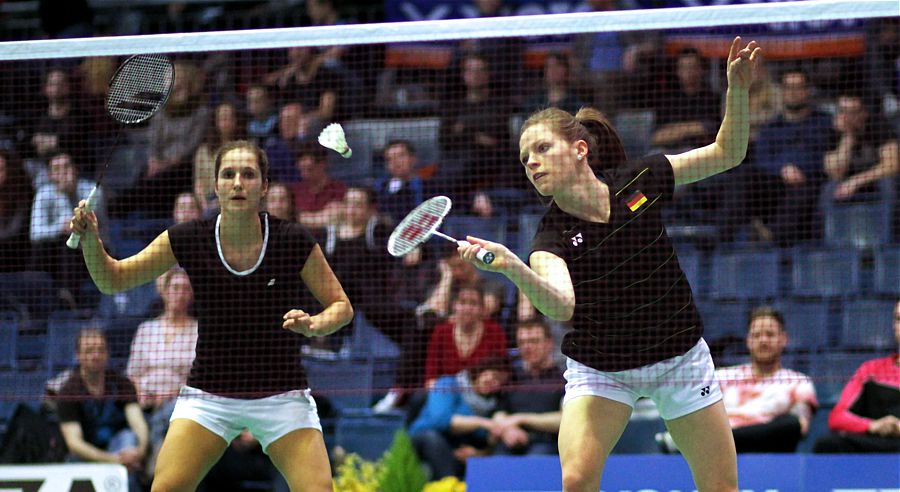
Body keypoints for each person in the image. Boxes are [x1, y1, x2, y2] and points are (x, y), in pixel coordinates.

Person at [455, 37, 761, 492]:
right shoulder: (550, 238)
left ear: (580, 149)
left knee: (721, 487)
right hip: (603, 369)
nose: (532, 163)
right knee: (577, 480)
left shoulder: (639, 181)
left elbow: (726, 153)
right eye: (524, 158)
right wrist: (512, 267)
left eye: (542, 149)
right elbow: (561, 306)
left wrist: (737, 90)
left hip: (679, 357)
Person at [69, 139, 353, 491]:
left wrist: (313, 324)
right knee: (165, 489)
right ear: (215, 185)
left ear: (264, 186)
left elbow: (341, 307)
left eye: (248, 174)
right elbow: (112, 280)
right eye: (228, 174)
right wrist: (91, 241)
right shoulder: (189, 238)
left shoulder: (291, 240)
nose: (238, 183)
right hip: (209, 395)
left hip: (281, 393)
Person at [661, 307, 818, 453]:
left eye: (770, 334)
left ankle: (713, 441)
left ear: (784, 339)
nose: (763, 340)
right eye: (756, 335)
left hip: (767, 449)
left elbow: (801, 427)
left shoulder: (798, 382)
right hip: (721, 454)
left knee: (792, 424)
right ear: (748, 341)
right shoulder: (722, 377)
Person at [738, 69, 831, 245]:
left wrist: (801, 169)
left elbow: (827, 154)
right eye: (788, 87)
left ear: (807, 91)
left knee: (803, 191)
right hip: (775, 185)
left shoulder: (824, 122)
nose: (793, 92)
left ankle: (774, 239)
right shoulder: (771, 127)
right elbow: (761, 159)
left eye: (798, 87)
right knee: (743, 175)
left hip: (810, 182)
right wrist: (782, 169)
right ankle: (723, 241)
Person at [125, 267, 198, 477]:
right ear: (164, 292)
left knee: (173, 410)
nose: (180, 294)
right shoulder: (146, 330)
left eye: (185, 289)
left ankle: (153, 461)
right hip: (145, 402)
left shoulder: (198, 330)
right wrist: (141, 394)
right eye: (175, 288)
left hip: (180, 402)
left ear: (191, 295)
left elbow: (199, 377)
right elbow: (133, 374)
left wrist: (170, 394)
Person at [56, 328, 149, 490]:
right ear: (78, 355)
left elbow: (138, 423)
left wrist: (140, 451)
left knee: (129, 438)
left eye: (100, 350)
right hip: (85, 455)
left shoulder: (122, 383)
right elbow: (74, 443)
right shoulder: (68, 391)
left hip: (118, 447)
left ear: (107, 353)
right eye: (89, 351)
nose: (96, 355)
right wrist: (113, 460)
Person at [813, 300, 900, 453]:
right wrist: (873, 425)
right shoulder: (871, 370)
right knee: (828, 444)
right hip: (879, 443)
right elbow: (837, 417)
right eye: (899, 319)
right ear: (894, 326)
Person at [408, 356, 511, 480]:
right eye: (494, 376)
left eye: (500, 382)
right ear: (481, 370)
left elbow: (487, 444)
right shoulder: (448, 384)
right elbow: (440, 420)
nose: (495, 383)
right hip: (424, 439)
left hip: (457, 451)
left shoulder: (492, 406)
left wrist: (477, 453)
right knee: (433, 439)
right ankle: (450, 485)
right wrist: (483, 423)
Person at [30, 151, 100, 304]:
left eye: (66, 167)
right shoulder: (43, 194)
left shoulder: (92, 191)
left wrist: (67, 194)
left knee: (68, 243)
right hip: (54, 255)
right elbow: (35, 233)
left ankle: (68, 297)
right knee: (46, 246)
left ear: (76, 169)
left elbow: (81, 229)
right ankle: (40, 297)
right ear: (50, 175)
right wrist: (59, 227)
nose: (62, 173)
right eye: (56, 169)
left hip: (92, 251)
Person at [491, 319, 564, 455]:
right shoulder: (511, 376)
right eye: (522, 342)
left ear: (549, 343)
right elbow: (499, 412)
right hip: (511, 439)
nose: (527, 347)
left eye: (534, 341)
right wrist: (508, 430)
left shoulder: (563, 379)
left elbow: (564, 419)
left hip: (547, 443)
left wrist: (521, 418)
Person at [424, 284, 508, 389]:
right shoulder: (441, 332)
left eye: (473, 303)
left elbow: (502, 372)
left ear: (482, 309)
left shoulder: (495, 332)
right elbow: (430, 378)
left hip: (481, 392)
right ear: (454, 305)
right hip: (446, 391)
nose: (467, 308)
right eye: (462, 302)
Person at [823, 93, 899, 201]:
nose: (845, 117)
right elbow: (836, 173)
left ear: (864, 113)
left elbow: (892, 165)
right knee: (829, 188)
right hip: (845, 182)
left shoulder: (880, 127)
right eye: (842, 111)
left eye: (851, 112)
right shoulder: (833, 131)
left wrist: (856, 181)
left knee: (888, 183)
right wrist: (848, 136)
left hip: (876, 180)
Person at [291, 141, 347, 231]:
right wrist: (323, 215)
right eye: (302, 168)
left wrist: (302, 217)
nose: (304, 173)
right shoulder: (295, 191)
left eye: (309, 169)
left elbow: (336, 217)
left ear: (323, 163)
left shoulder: (338, 189)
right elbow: (291, 217)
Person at [0, 149, 33, 271]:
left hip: (15, 257)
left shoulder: (21, 195)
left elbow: (14, 230)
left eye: (0, 170)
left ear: (9, 171)